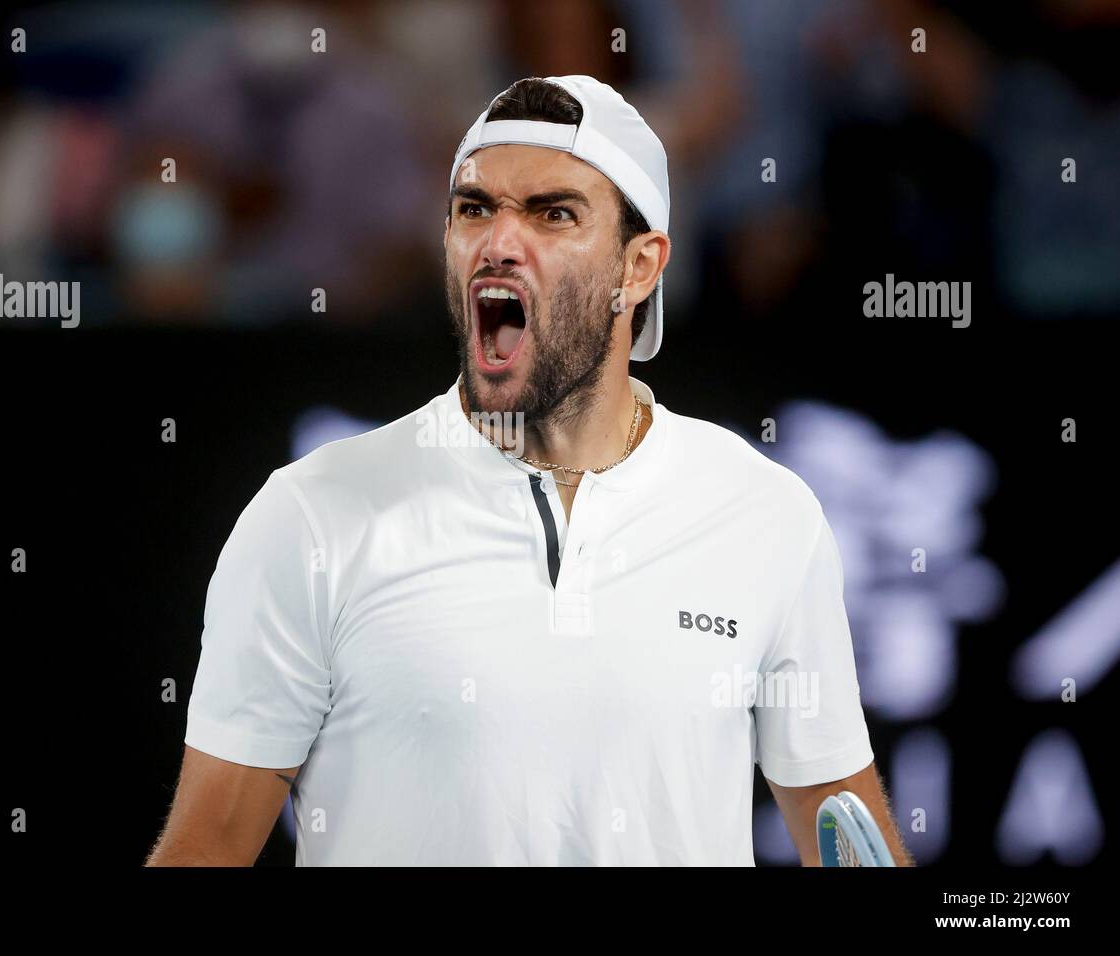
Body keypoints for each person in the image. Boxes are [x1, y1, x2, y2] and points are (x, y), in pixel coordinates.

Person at [147, 75, 913, 866]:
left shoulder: (765, 515)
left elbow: (847, 839)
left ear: (639, 267)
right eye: (475, 208)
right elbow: (205, 851)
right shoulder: (310, 516)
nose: (499, 242)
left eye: (554, 213)